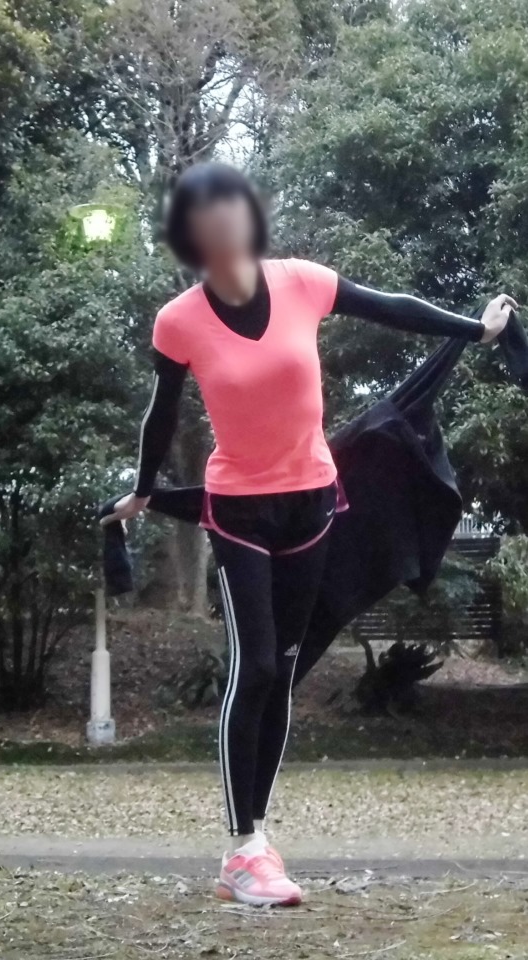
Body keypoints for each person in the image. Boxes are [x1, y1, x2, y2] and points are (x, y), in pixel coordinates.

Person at [101, 162, 516, 907]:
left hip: (314, 504)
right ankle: (242, 850)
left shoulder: (302, 282)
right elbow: (162, 412)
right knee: (256, 665)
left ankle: (256, 838)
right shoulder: (179, 321)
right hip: (239, 511)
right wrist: (143, 487)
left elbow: (393, 307)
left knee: (286, 668)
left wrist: (474, 329)